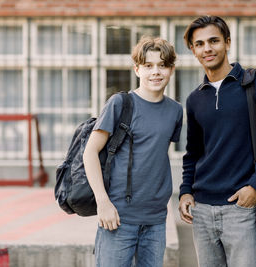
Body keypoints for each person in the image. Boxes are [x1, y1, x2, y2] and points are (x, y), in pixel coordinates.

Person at [178, 15, 256, 267]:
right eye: (199, 44)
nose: (207, 48)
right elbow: (193, 153)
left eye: (214, 41)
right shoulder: (194, 99)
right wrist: (185, 191)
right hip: (202, 211)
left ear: (227, 43)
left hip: (241, 208)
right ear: (193, 50)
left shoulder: (255, 84)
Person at [83, 36, 183, 267]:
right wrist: (103, 203)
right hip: (118, 217)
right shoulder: (120, 103)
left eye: (162, 65)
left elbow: (155, 156)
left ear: (171, 69)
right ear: (137, 69)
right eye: (148, 66)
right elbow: (90, 152)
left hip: (156, 220)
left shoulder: (175, 111)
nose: (156, 72)